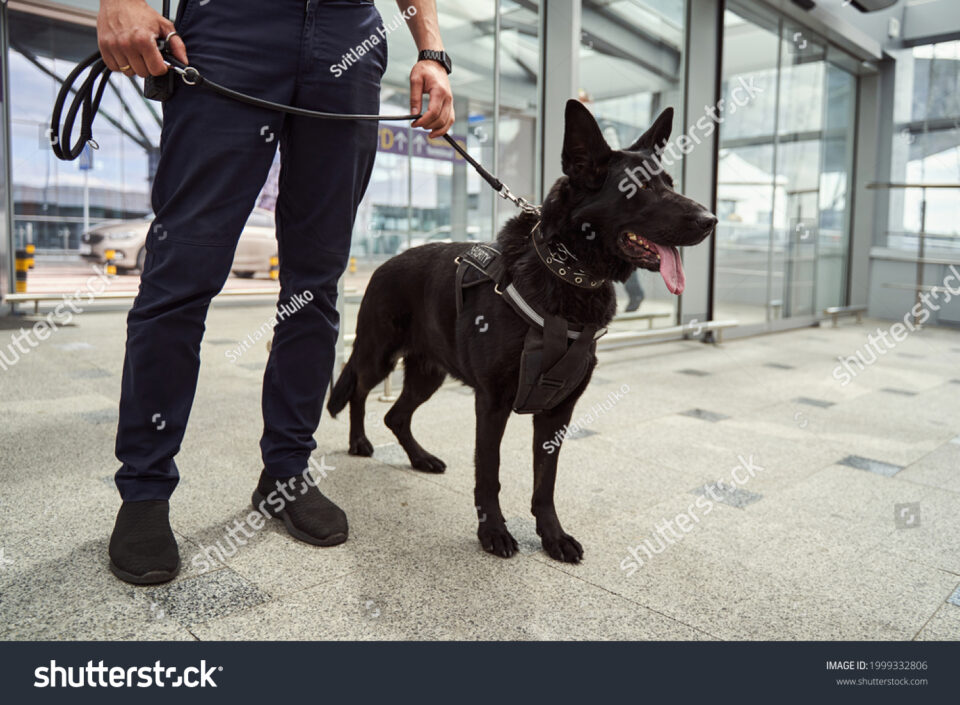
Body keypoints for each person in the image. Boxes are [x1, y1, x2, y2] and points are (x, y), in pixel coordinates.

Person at [99, 0, 455, 585]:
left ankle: (287, 470)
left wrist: (432, 51)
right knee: (180, 278)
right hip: (234, 25)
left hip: (349, 35)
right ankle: (144, 490)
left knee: (315, 288)